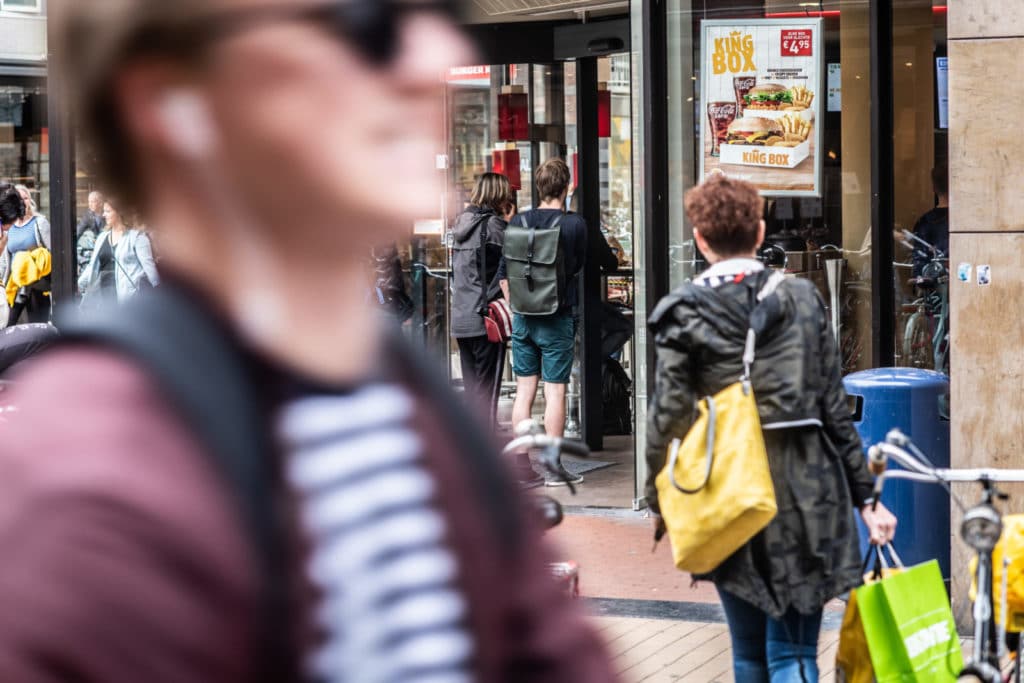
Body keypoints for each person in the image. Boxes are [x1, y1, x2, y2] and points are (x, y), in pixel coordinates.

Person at [0, 2, 618, 681]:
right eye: (364, 24)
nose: (432, 55)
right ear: (171, 101)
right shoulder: (88, 490)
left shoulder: (409, 407)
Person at [646, 175, 897, 682]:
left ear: (699, 238)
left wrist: (662, 497)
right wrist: (867, 500)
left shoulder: (683, 310)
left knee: (747, 654)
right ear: (760, 232)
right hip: (807, 488)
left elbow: (668, 414)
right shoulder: (802, 298)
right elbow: (833, 407)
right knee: (794, 654)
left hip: (728, 489)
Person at [499, 158, 587, 484]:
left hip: (523, 317)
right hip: (557, 316)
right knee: (555, 392)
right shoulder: (574, 224)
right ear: (567, 187)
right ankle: (553, 469)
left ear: (538, 187)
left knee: (524, 392)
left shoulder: (518, 221)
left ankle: (523, 468)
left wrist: (519, 308)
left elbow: (504, 275)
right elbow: (579, 266)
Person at [451, 172, 511, 424]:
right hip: (486, 320)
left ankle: (470, 438)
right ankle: (484, 442)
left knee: (472, 390)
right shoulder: (494, 226)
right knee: (487, 392)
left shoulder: (461, 223)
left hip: (461, 318)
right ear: (499, 195)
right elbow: (513, 262)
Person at [78, 200, 160, 303]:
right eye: (104, 211)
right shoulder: (102, 237)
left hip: (129, 299)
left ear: (119, 212)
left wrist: (159, 292)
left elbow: (149, 267)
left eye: (107, 211)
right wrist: (80, 283)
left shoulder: (137, 238)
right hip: (104, 298)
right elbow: (92, 265)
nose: (103, 215)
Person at [2, 185, 51, 325]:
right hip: (14, 285)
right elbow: (5, 261)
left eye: (26, 198)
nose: (23, 202)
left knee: (37, 326)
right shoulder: (9, 226)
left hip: (36, 285)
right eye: (19, 199)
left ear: (30, 200)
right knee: (8, 324)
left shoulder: (39, 223)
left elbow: (51, 250)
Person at [912, 165, 949, 277]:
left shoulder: (925, 222)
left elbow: (919, 265)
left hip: (935, 282)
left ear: (934, 188)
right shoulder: (966, 222)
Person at [76, 190, 106, 273]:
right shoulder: (88, 215)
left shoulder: (107, 213)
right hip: (97, 244)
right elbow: (79, 230)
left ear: (100, 203)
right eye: (89, 201)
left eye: (93, 202)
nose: (90, 204)